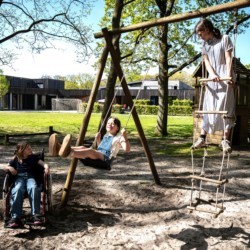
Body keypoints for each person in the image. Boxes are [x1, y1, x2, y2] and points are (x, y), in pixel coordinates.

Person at [192, 18, 236, 153]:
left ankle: (225, 140)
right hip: (213, 78)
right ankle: (202, 137)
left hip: (225, 76)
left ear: (207, 30)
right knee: (208, 106)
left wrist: (228, 75)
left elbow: (228, 58)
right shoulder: (204, 44)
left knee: (225, 107)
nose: (199, 36)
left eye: (200, 33)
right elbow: (206, 61)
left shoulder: (225, 39)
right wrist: (211, 74)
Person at [3, 142, 50, 228]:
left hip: (30, 177)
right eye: (28, 148)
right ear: (22, 150)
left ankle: (35, 215)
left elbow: (44, 164)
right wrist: (10, 168)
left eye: (30, 147)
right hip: (19, 178)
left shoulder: (34, 158)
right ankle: (15, 217)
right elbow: (5, 166)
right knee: (17, 189)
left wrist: (46, 167)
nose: (30, 149)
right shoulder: (15, 159)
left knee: (33, 188)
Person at [49, 117, 130, 160]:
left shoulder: (119, 137)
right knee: (83, 147)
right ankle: (58, 148)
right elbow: (100, 147)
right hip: (100, 154)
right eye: (108, 123)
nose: (109, 125)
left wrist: (125, 137)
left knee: (90, 151)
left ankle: (68, 151)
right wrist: (98, 140)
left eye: (112, 124)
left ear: (117, 128)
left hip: (106, 158)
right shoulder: (106, 135)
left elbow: (127, 149)